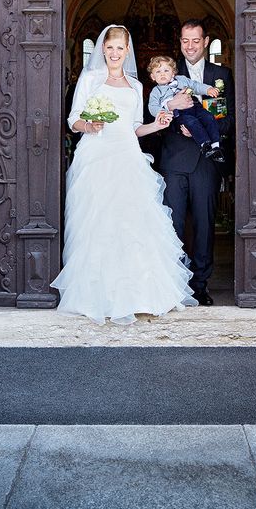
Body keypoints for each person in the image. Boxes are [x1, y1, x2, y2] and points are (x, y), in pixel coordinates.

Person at [51, 24, 197, 324]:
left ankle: (138, 295)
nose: (114, 53)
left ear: (127, 51)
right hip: (96, 157)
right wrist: (89, 126)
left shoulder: (136, 85)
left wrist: (158, 124)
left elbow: (134, 127)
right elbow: (72, 119)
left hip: (128, 157)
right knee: (98, 222)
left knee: (132, 224)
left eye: (119, 48)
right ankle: (98, 296)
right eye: (109, 47)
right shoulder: (90, 79)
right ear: (102, 50)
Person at [159, 19, 234, 306]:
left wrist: (211, 128)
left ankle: (200, 286)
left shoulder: (221, 74)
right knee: (173, 225)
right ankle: (174, 285)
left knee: (204, 225)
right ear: (179, 43)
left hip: (207, 162)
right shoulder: (167, 72)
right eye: (184, 40)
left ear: (205, 42)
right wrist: (176, 125)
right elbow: (149, 113)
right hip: (175, 160)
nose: (190, 46)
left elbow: (229, 117)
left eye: (195, 40)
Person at [147, 55, 224, 163]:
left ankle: (216, 145)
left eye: (166, 70)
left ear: (173, 73)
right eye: (158, 72)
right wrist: (163, 112)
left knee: (208, 117)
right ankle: (205, 145)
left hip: (195, 105)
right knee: (191, 122)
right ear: (153, 77)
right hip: (181, 113)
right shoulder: (156, 91)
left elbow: (195, 85)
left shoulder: (182, 79)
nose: (162, 74)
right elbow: (152, 107)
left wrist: (208, 89)